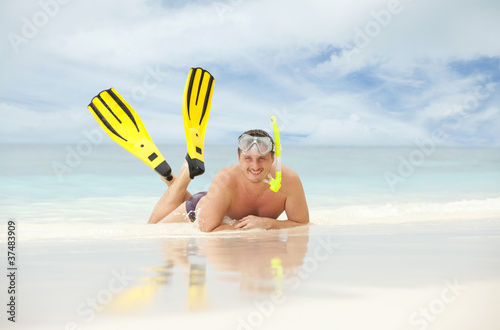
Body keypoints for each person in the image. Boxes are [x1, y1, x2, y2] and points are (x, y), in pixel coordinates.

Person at [148, 129, 309, 232]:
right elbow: (206, 230)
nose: (255, 166)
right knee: (152, 230)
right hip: (198, 210)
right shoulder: (225, 179)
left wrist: (268, 223)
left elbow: (303, 224)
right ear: (238, 158)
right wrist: (245, 229)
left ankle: (172, 182)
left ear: (273, 158)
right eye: (248, 158)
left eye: (262, 158)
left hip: (218, 202)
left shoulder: (289, 181)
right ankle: (182, 177)